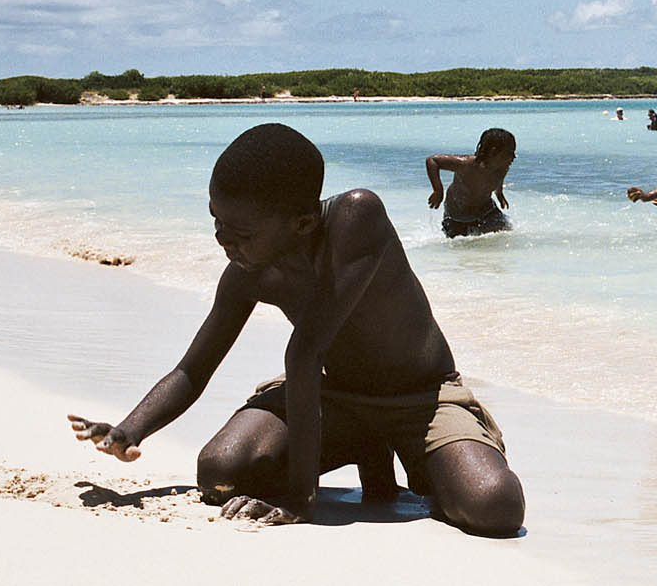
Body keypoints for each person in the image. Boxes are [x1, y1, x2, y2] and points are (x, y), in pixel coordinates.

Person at [67, 123, 524, 535]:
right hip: (334, 395)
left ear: (303, 223)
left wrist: (300, 499)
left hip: (421, 397)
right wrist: (129, 430)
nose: (223, 241)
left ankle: (415, 452)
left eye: (241, 233)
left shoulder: (356, 217)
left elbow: (305, 353)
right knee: (220, 470)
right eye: (217, 222)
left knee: (495, 507)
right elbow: (192, 370)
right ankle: (368, 444)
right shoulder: (248, 270)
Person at [426, 128, 515, 238]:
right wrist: (438, 190)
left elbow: (498, 180)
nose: (514, 157)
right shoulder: (467, 164)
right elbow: (433, 161)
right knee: (460, 245)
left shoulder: (502, 168)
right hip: (456, 215)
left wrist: (499, 194)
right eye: (509, 153)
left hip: (485, 210)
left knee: (506, 233)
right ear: (493, 151)